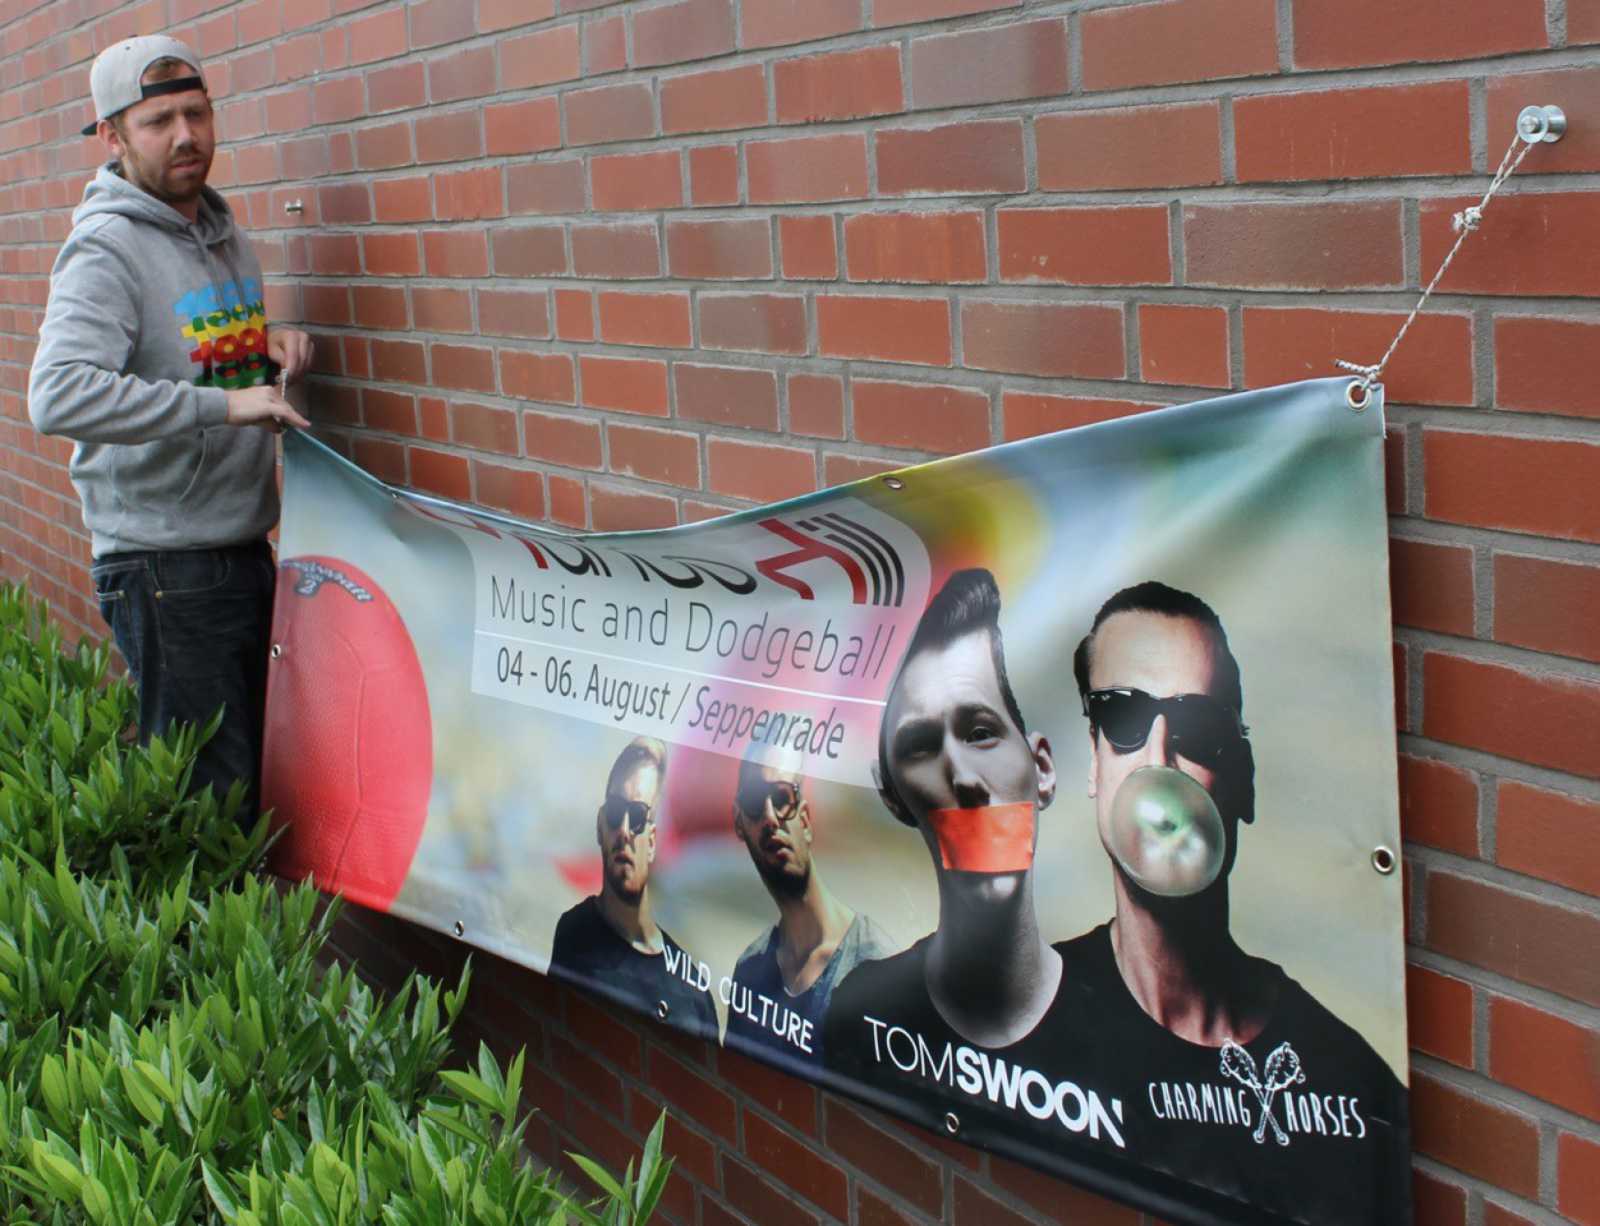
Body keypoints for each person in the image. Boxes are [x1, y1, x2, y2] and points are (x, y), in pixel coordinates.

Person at [28, 35, 312, 822]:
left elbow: (184, 354)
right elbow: (57, 395)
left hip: (237, 548)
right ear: (112, 136)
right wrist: (225, 406)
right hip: (165, 567)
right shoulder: (106, 247)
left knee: (259, 794)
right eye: (158, 121)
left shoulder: (221, 231)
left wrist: (263, 346)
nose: (185, 135)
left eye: (197, 113)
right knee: (214, 812)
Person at [1062, 581, 1408, 1224]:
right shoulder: (1026, 1016)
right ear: (1094, 761)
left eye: (1197, 727)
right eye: (1123, 717)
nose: (1158, 760)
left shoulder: (1350, 1083)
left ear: (1243, 782)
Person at [822, 569, 1127, 1160]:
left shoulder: (1133, 1044)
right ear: (894, 797)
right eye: (920, 747)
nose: (962, 776)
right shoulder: (860, 1015)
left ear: (1042, 768)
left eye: (981, 732)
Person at [724, 744, 894, 1068]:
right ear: (739, 823)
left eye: (782, 798)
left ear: (804, 819)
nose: (770, 818)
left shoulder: (874, 964)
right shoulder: (749, 972)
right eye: (754, 803)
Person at [549, 737, 719, 1039]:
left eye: (638, 817)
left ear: (653, 840)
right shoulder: (572, 933)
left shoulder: (692, 991)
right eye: (616, 813)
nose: (625, 831)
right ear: (601, 824)